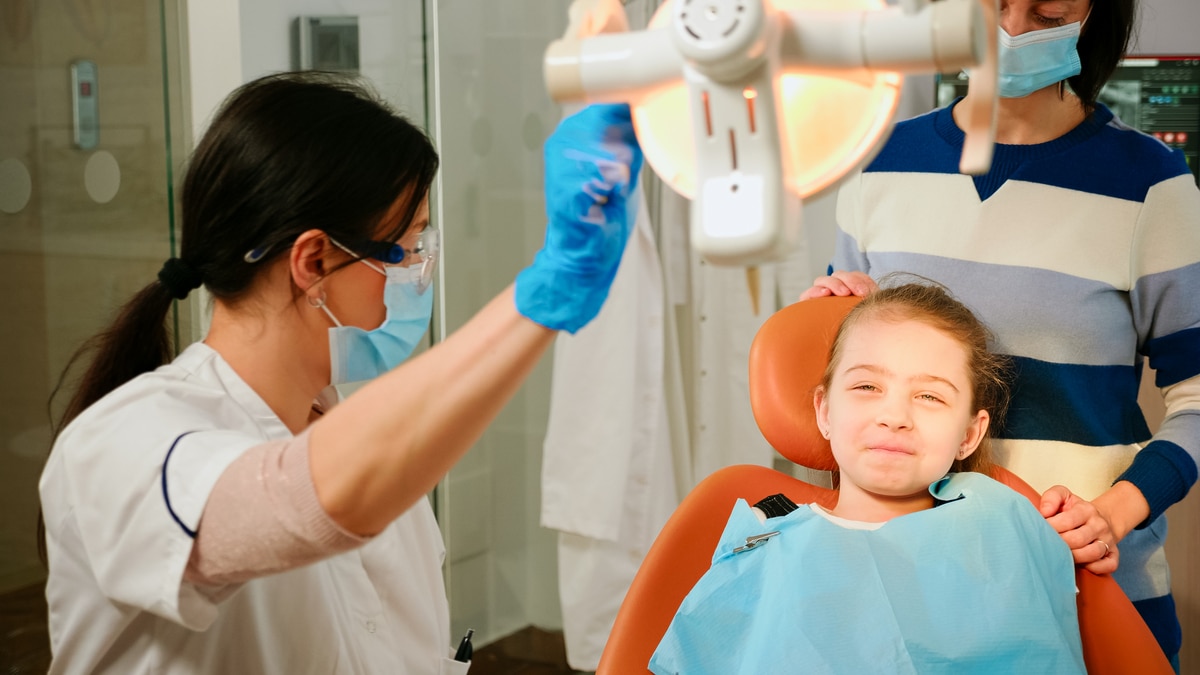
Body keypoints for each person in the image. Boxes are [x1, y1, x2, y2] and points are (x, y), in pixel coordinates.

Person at [36, 71, 642, 674]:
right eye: (405, 249)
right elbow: (292, 503)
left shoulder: (358, 443)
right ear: (314, 260)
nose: (417, 276)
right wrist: (543, 295)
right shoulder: (122, 444)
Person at [801, 0, 1199, 666]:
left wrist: (1116, 510)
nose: (1011, 32)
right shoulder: (882, 163)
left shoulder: (1152, 186)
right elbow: (855, 368)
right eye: (992, 6)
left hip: (1090, 583)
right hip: (915, 582)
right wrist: (831, 313)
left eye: (1046, 14)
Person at [649, 282, 1086, 673]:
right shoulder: (767, 543)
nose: (894, 417)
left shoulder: (1004, 524)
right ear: (824, 411)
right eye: (866, 387)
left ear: (969, 434)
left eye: (929, 395)